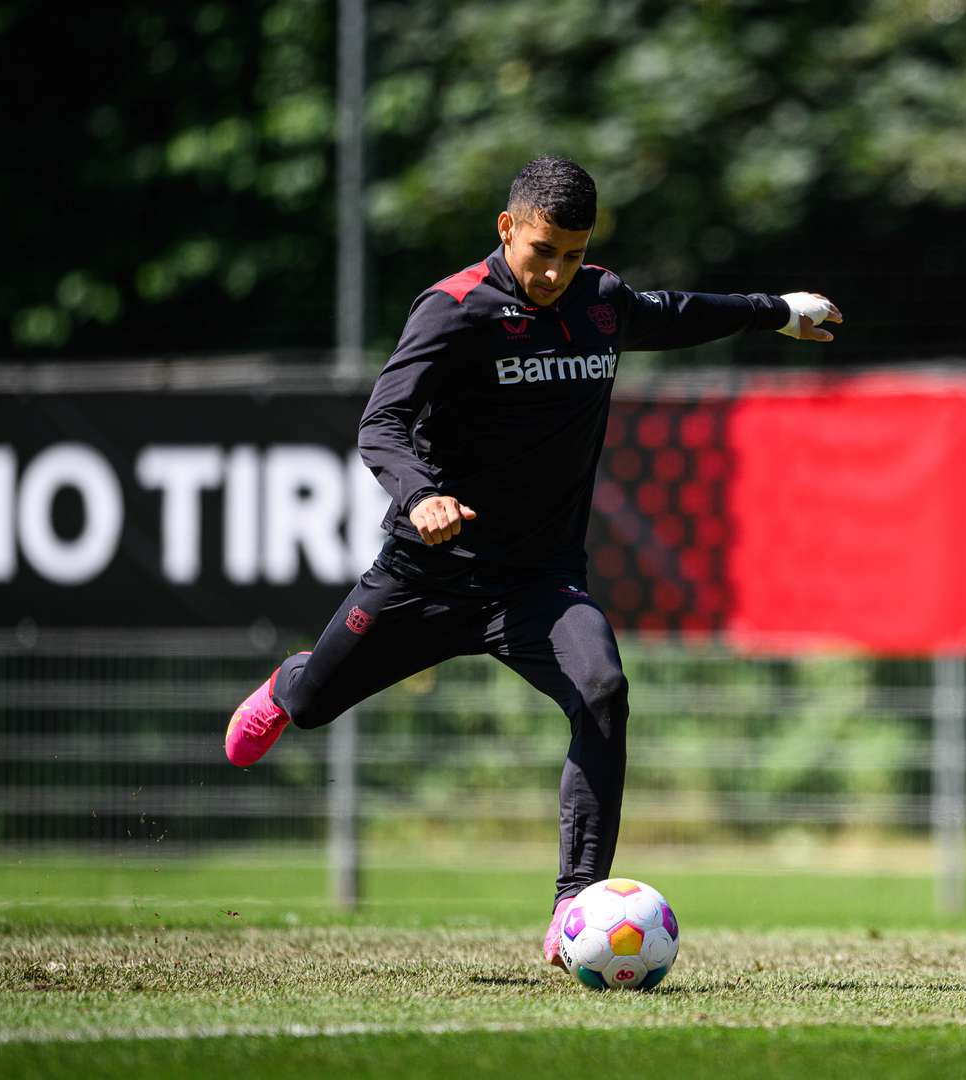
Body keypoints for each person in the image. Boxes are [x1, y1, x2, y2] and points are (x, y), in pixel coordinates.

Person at [223, 156, 842, 967]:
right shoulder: (451, 311)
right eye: (541, 251)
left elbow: (681, 312)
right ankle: (291, 683)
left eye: (574, 255)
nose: (555, 272)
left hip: (540, 583)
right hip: (427, 575)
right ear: (507, 228)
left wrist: (778, 312)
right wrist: (418, 496)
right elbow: (381, 424)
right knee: (314, 705)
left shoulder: (601, 303)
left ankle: (574, 904)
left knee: (604, 692)